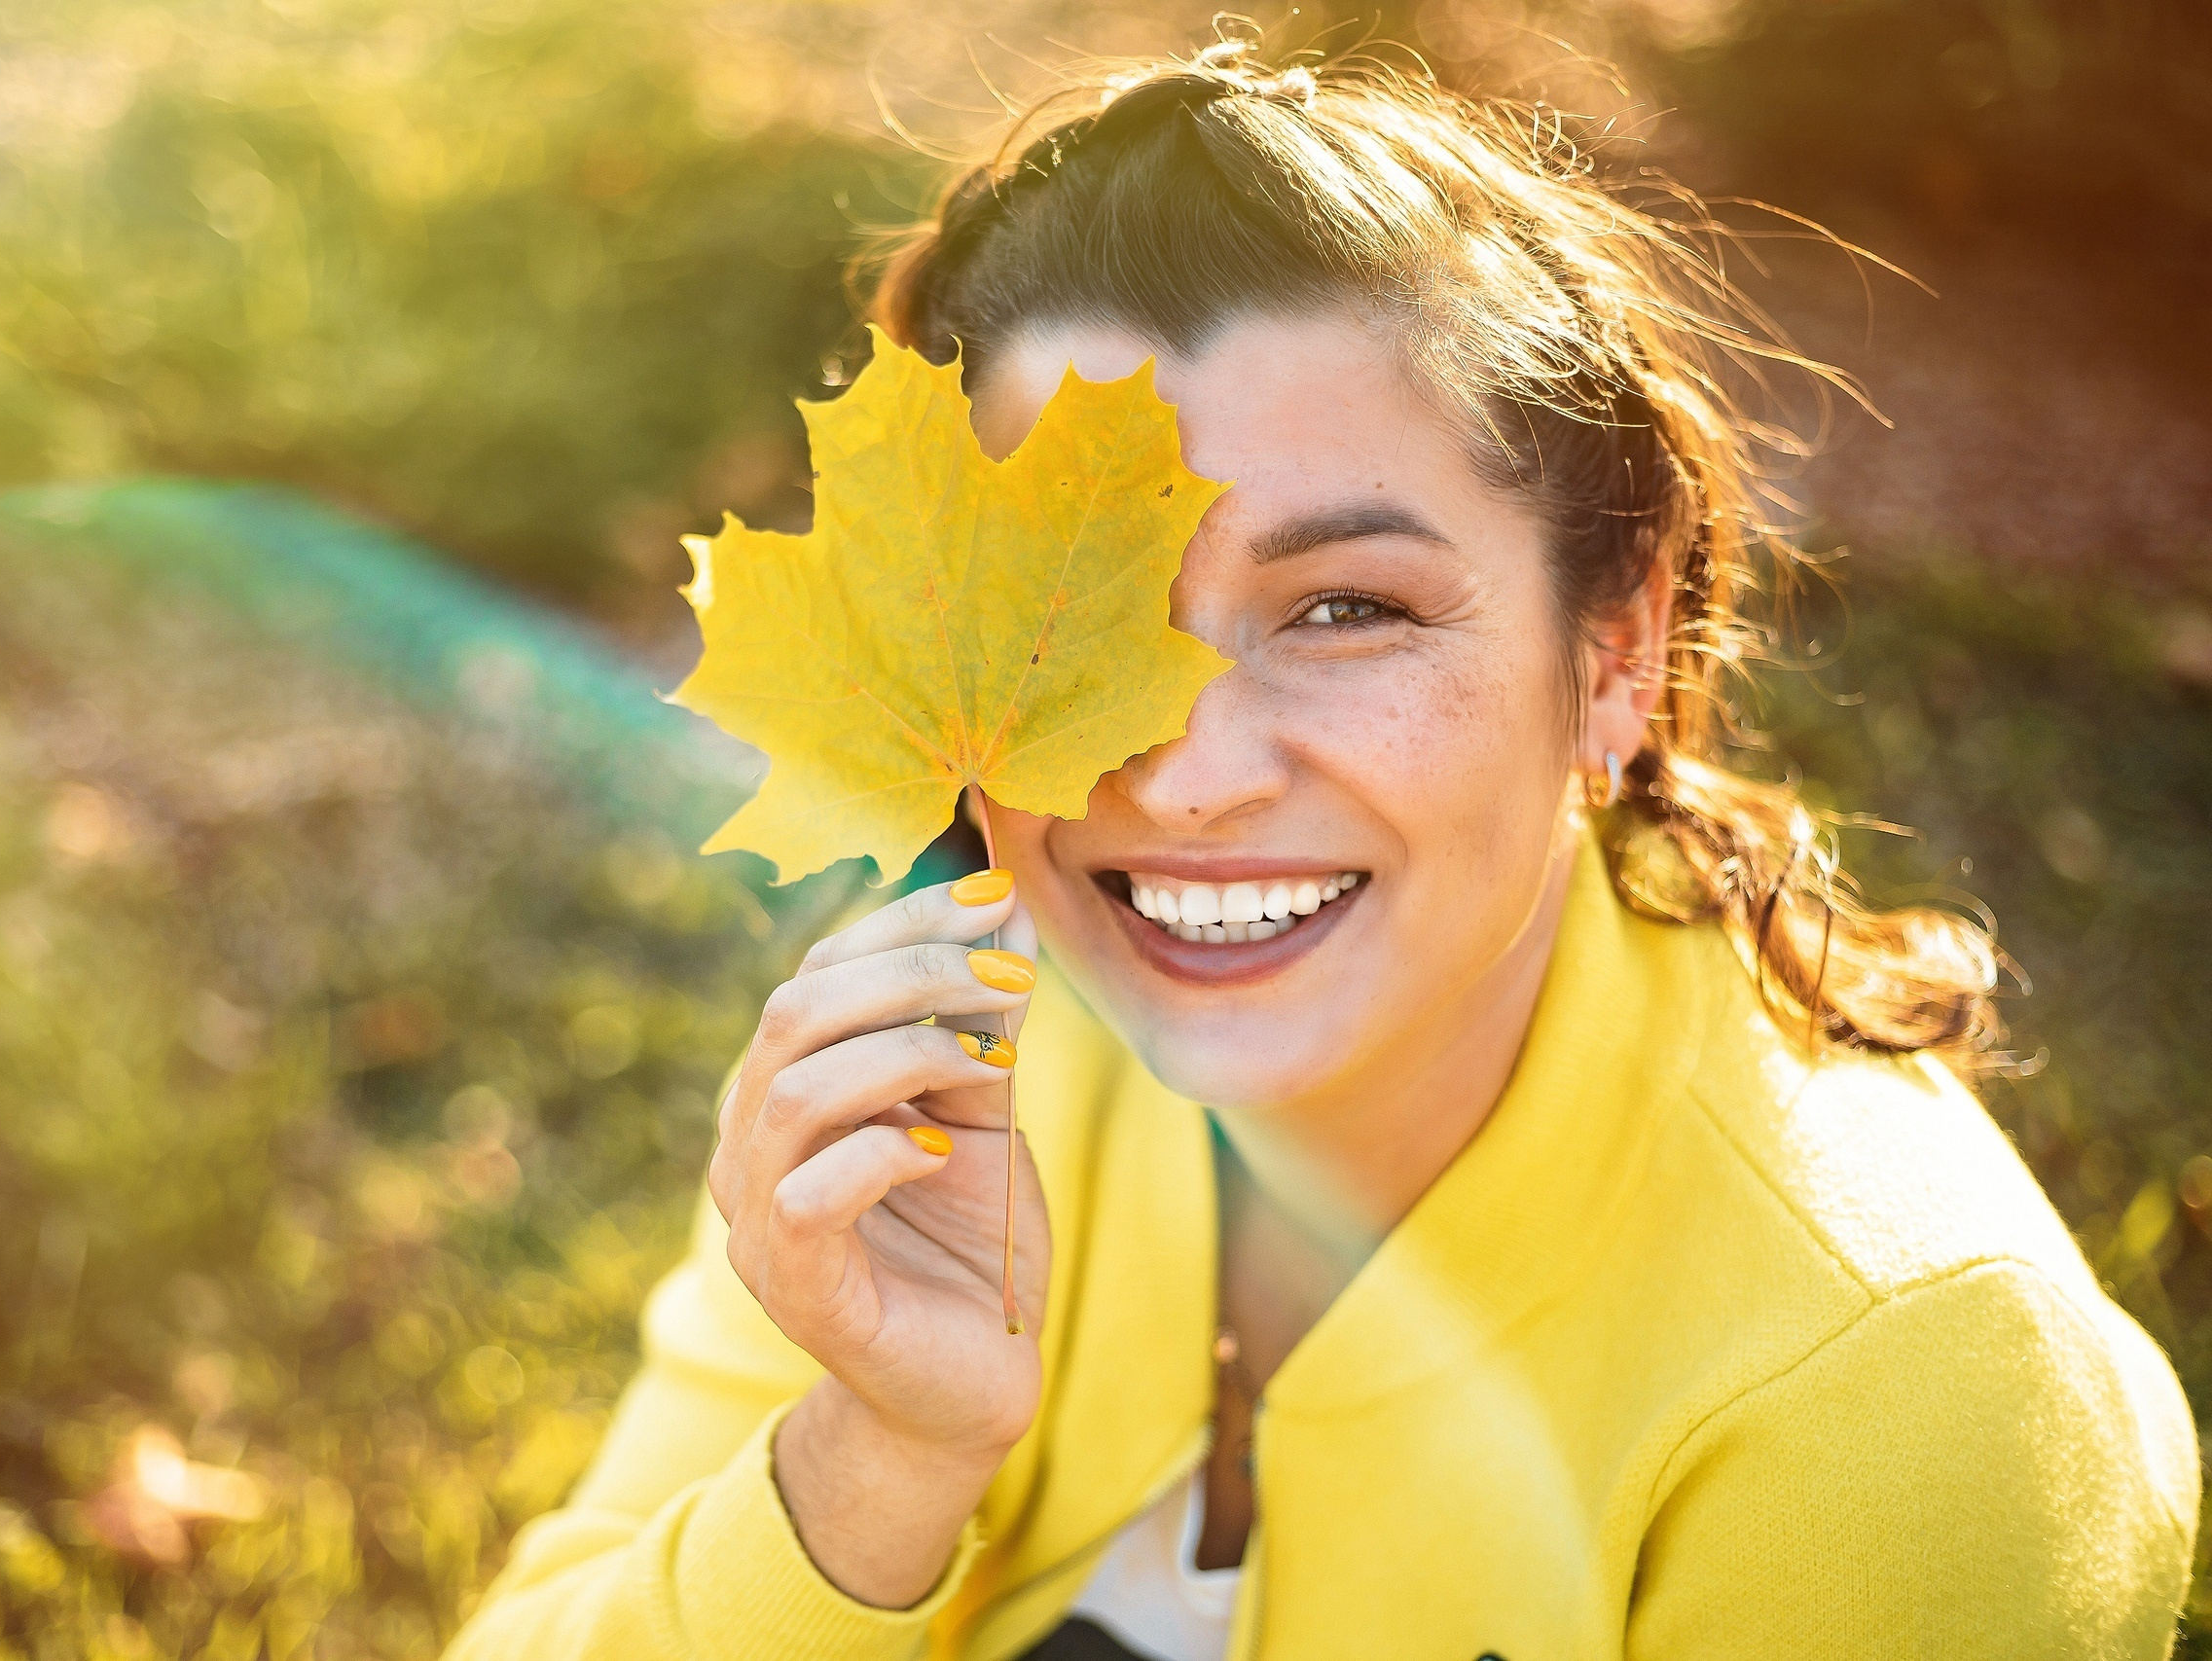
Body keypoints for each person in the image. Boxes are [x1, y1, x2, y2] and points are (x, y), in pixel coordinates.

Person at [443, 39, 2197, 1661]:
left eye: (1349, 607)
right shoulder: (948, 1067)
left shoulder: (1909, 1395)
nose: (1183, 781)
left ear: (1616, 651)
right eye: (1076, 620)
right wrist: (876, 1459)